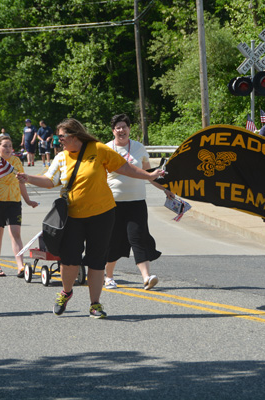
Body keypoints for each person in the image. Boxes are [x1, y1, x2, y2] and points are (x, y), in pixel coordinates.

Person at [17, 118, 165, 319]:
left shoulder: (98, 149)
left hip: (102, 215)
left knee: (96, 260)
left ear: (74, 135)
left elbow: (125, 168)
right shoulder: (61, 157)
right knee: (69, 261)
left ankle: (95, 305)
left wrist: (149, 176)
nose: (58, 141)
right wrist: (28, 178)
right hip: (73, 217)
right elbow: (50, 181)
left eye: (61, 137)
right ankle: (66, 292)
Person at [103, 114, 172, 291]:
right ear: (113, 131)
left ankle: (146, 278)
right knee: (114, 240)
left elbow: (149, 174)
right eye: (118, 127)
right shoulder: (106, 150)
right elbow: (100, 178)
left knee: (139, 237)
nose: (121, 130)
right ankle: (109, 277)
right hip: (113, 203)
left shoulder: (139, 148)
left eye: (124, 126)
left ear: (129, 129)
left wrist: (164, 189)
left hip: (137, 202)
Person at [0, 135, 38, 277]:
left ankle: (20, 266)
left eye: (10, 146)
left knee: (16, 233)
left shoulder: (16, 161)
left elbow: (21, 183)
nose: (8, 149)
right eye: (5, 146)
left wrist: (28, 201)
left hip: (14, 201)